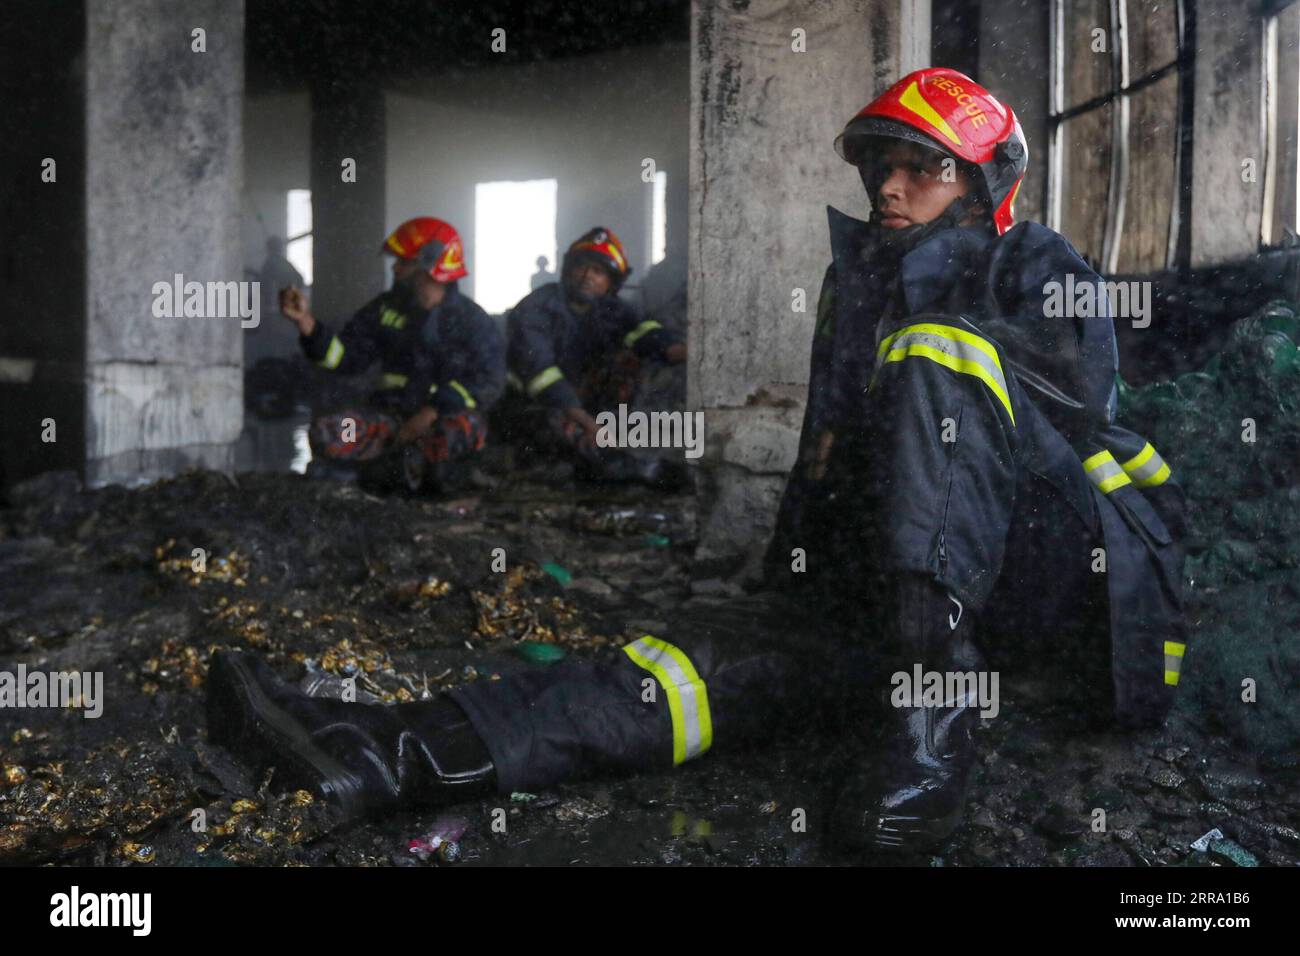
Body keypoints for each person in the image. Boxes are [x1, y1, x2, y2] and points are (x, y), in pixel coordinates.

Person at [207, 69, 1187, 855]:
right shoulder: (858, 287)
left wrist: (921, 302)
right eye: (879, 167)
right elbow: (829, 452)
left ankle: (931, 738)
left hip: (1050, 577)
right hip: (904, 588)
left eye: (919, 168)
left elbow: (1053, 426)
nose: (886, 186)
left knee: (940, 356)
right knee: (683, 665)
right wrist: (786, 587)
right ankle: (381, 750)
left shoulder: (1033, 265)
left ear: (980, 186)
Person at [281, 217, 505, 492]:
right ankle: (399, 473)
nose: (395, 268)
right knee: (331, 431)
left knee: (460, 431)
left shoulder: (473, 322)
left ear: (432, 265)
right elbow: (344, 358)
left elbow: (490, 381)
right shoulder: (384, 310)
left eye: (405, 261)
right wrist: (305, 322)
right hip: (389, 423)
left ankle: (412, 476)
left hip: (443, 423)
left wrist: (432, 411)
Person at [500, 227, 687, 485]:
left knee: (631, 361)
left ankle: (621, 449)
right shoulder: (536, 308)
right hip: (533, 405)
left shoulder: (612, 309)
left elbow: (643, 332)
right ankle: (618, 466)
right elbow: (540, 377)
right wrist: (591, 426)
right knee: (565, 431)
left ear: (611, 282)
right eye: (582, 267)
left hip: (584, 405)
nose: (588, 276)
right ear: (568, 270)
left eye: (598, 271)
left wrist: (675, 349)